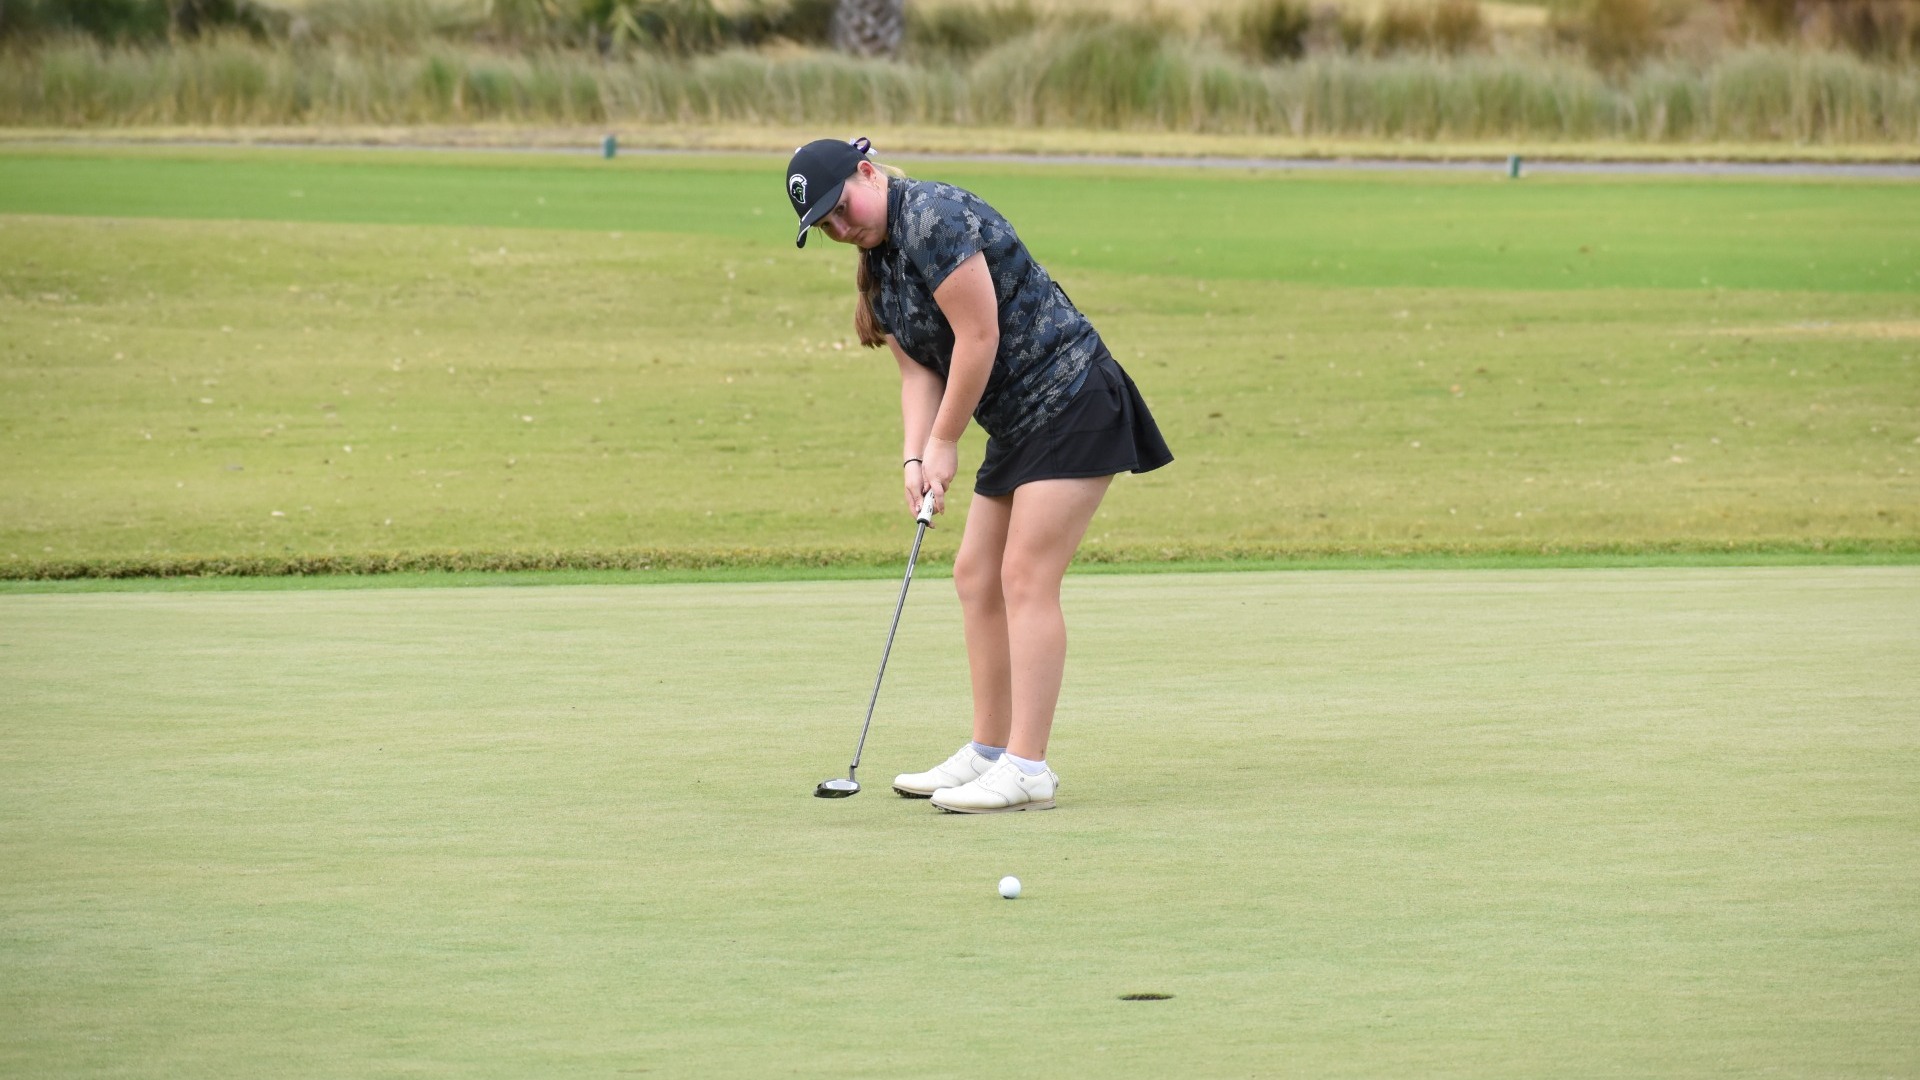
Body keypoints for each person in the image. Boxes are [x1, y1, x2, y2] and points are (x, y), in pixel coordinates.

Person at [786, 137, 1172, 814]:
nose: (841, 228)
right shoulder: (878, 263)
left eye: (841, 207)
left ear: (867, 173)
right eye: (826, 226)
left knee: (1025, 575)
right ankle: (988, 752)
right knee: (975, 573)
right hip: (1020, 420)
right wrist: (915, 455)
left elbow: (980, 335)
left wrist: (945, 441)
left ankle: (1028, 767)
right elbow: (918, 368)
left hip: (1074, 395)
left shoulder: (933, 217)